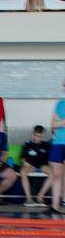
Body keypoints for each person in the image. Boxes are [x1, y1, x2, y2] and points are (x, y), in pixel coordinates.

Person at [20, 125, 51, 207]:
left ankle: (40, 197)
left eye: (41, 136)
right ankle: (29, 199)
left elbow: (50, 160)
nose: (38, 138)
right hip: (31, 166)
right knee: (23, 172)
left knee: (54, 173)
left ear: (43, 136)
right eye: (37, 136)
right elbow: (23, 158)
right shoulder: (28, 145)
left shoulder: (46, 145)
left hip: (42, 166)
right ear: (33, 135)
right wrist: (25, 163)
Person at [49, 85, 65, 214]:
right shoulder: (60, 104)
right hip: (58, 143)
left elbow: (57, 124)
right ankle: (55, 206)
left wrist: (60, 123)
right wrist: (61, 123)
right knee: (56, 175)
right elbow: (53, 125)